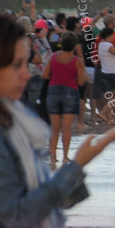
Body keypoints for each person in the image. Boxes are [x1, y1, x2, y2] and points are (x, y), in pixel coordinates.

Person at [0, 13, 115, 228]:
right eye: (16, 65)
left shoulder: (14, 122)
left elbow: (44, 201)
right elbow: (16, 215)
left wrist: (73, 173)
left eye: (25, 63)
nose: (26, 74)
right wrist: (77, 164)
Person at [42, 33, 86, 168]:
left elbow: (45, 74)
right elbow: (82, 81)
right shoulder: (77, 61)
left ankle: (53, 156)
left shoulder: (53, 57)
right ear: (74, 46)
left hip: (54, 90)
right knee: (67, 128)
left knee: (55, 128)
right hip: (70, 92)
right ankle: (65, 157)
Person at [95, 27, 115, 125]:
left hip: (106, 72)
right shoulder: (107, 45)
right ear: (109, 36)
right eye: (112, 35)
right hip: (111, 74)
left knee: (110, 97)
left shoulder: (101, 45)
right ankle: (103, 113)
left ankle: (110, 119)